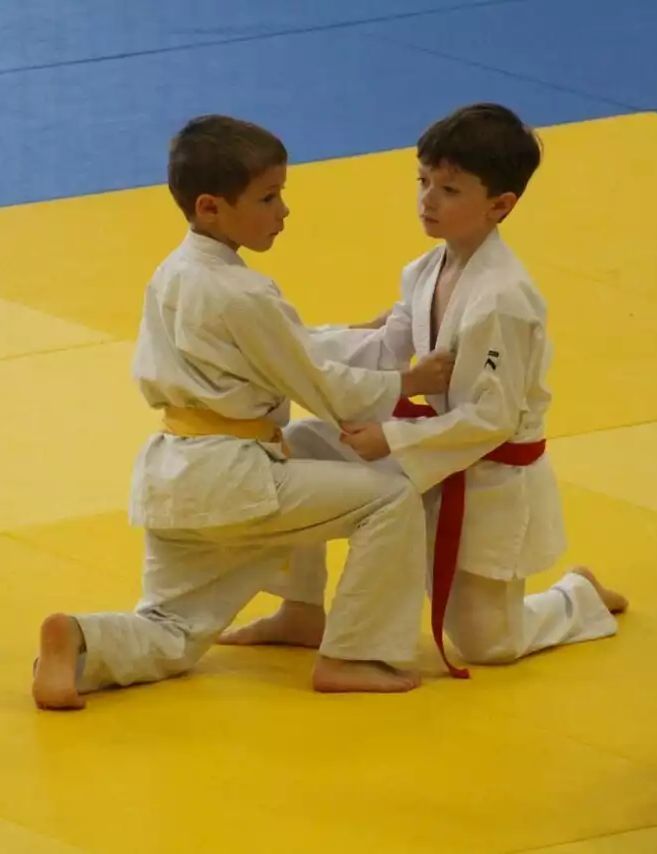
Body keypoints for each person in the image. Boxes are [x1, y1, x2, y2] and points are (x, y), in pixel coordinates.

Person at [31, 115, 456, 708]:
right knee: (388, 500)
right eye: (268, 198)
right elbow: (317, 382)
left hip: (175, 475)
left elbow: (279, 351)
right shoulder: (245, 293)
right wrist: (408, 378)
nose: (283, 211)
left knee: (171, 630)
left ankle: (82, 639)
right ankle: (353, 653)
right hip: (234, 479)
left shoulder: (173, 274)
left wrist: (356, 337)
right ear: (210, 207)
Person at [219, 103, 627, 677]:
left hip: (486, 474)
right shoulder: (423, 271)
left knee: (488, 644)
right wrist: (293, 347)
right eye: (423, 181)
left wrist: (388, 437)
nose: (428, 200)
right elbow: (389, 344)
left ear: (499, 205)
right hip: (427, 449)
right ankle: (301, 607)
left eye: (450, 189)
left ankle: (576, 595)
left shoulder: (503, 301)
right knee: (301, 444)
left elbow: (493, 421)